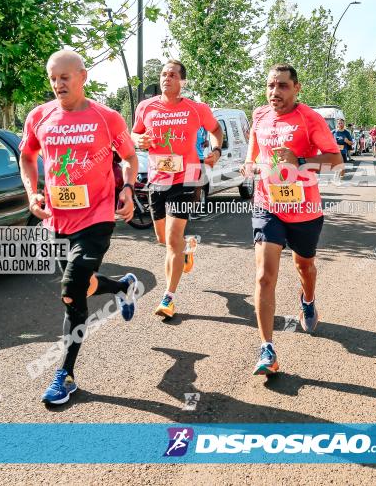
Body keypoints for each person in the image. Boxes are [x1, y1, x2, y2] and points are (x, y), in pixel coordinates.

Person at [19, 50, 140, 405]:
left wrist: (129, 188)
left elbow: (130, 157)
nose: (58, 84)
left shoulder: (107, 118)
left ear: (82, 77)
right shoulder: (39, 117)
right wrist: (33, 193)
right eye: (53, 78)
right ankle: (122, 286)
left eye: (65, 77)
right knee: (82, 287)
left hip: (97, 217)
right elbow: (27, 156)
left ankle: (65, 375)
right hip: (58, 219)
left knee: (71, 290)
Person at [241, 63, 342, 375]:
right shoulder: (259, 116)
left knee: (304, 267)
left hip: (303, 208)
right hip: (267, 204)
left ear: (297, 88)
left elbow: (336, 162)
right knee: (264, 276)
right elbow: (250, 159)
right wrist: (252, 168)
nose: (275, 92)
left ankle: (308, 299)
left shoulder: (309, 119)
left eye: (282, 86)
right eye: (271, 85)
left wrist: (299, 160)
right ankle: (267, 349)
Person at [132, 60, 223, 319]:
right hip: (157, 179)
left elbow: (215, 129)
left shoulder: (196, 109)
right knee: (164, 240)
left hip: (188, 177)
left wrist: (215, 150)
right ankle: (188, 248)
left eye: (172, 75)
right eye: (163, 74)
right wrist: (138, 139)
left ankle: (168, 298)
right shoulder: (146, 107)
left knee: (172, 240)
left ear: (182, 81)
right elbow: (133, 134)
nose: (166, 78)